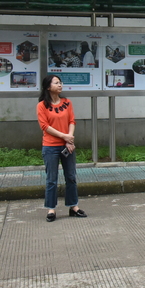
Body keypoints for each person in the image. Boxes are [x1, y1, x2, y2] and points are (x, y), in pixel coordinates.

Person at [36, 74, 87, 222]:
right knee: (51, 179)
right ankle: (51, 209)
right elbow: (45, 126)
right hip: (50, 146)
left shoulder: (67, 102)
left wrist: (69, 139)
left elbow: (72, 121)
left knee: (71, 176)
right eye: (56, 83)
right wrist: (64, 136)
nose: (60, 85)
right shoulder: (42, 106)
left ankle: (73, 206)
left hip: (67, 145)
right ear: (48, 87)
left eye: (60, 82)